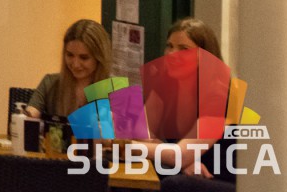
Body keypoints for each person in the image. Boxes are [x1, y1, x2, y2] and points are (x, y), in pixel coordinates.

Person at [133, 19, 234, 187]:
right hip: (187, 172)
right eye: (169, 46)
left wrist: (127, 146)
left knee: (174, 184)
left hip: (220, 179)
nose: (172, 54)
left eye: (183, 49)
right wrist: (183, 161)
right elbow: (140, 132)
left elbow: (178, 155)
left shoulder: (219, 96)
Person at [25, 18, 112, 119]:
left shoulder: (114, 91)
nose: (75, 64)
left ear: (99, 58)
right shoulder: (50, 83)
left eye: (84, 58)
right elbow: (29, 115)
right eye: (70, 55)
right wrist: (26, 115)